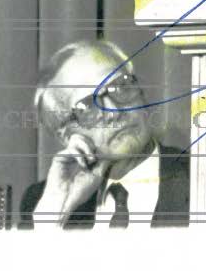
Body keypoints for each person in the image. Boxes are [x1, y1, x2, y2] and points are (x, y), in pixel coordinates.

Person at [18, 39, 189, 228]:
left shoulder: (202, 176)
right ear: (67, 136)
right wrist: (56, 212)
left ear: (141, 90)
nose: (114, 111)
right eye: (87, 107)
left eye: (120, 87)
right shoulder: (45, 200)